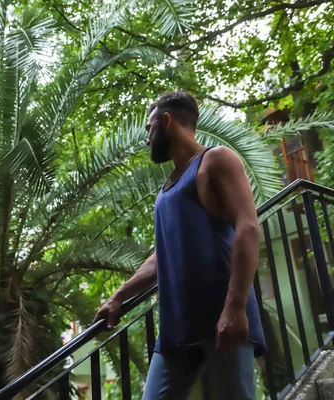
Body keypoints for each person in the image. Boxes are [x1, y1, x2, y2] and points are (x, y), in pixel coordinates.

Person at [94, 91, 266, 399]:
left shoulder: (216, 159)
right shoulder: (167, 189)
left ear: (167, 121)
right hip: (176, 329)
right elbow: (163, 257)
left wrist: (235, 306)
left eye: (149, 128)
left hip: (223, 322)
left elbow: (248, 227)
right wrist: (118, 297)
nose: (147, 138)